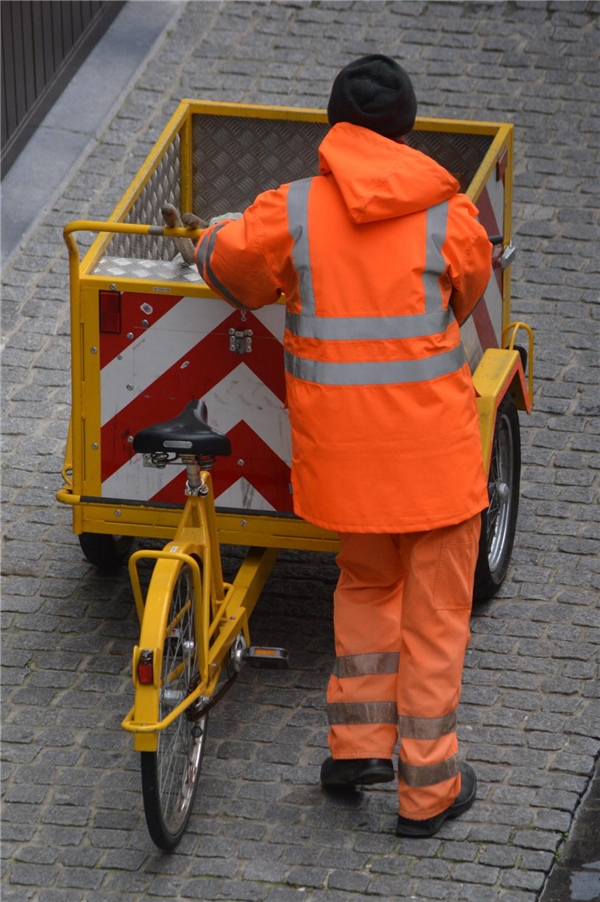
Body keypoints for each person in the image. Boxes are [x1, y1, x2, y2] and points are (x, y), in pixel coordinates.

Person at [193, 54, 492, 838]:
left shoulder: (289, 212)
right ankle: (428, 793)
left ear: (332, 127)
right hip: (437, 459)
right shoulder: (449, 215)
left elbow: (231, 269)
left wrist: (208, 238)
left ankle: (355, 748)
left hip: (349, 464)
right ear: (407, 131)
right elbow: (463, 300)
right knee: (434, 622)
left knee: (365, 588)